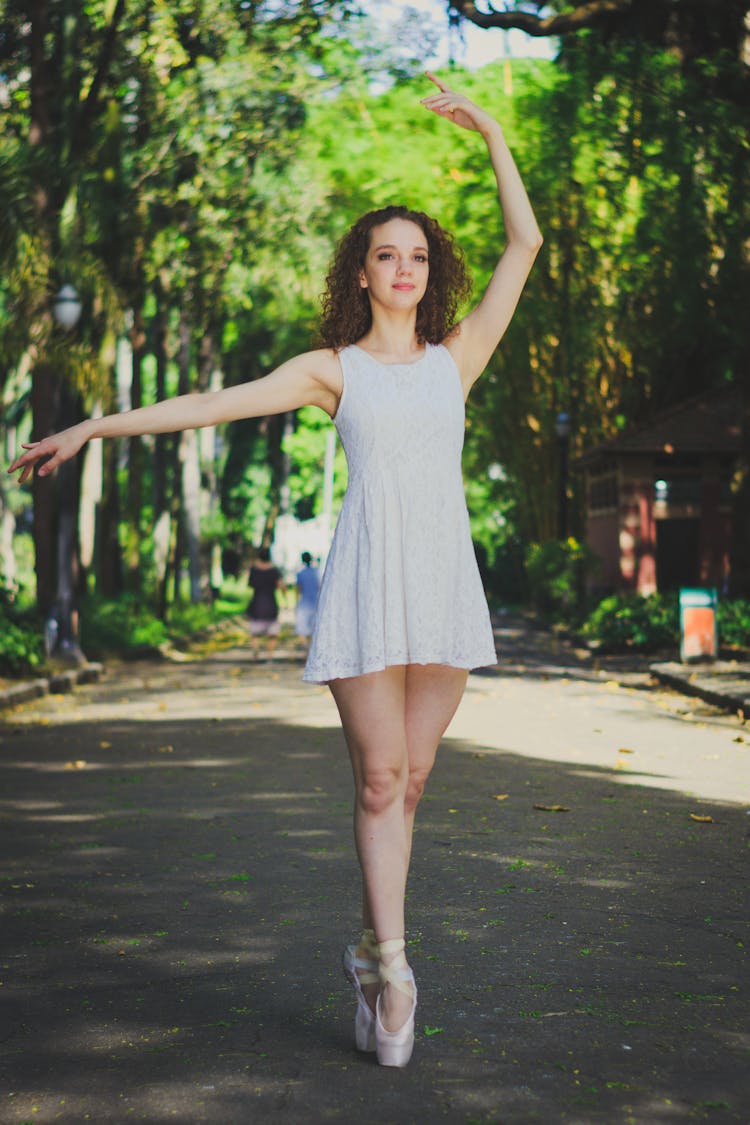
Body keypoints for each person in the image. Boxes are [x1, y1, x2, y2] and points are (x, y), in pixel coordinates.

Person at [9, 73, 542, 1068]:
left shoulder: (456, 360)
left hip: (442, 588)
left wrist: (495, 136)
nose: (404, 268)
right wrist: (93, 424)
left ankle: (364, 952)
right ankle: (392, 967)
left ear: (433, 271)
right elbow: (208, 405)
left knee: (417, 777)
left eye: (418, 255)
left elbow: (527, 246)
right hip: (364, 588)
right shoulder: (329, 370)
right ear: (363, 272)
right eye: (387, 255)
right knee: (379, 779)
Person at [246, 546, 284, 659]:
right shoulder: (274, 571)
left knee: (254, 633)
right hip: (271, 603)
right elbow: (281, 586)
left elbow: (250, 584)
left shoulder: (254, 570)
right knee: (272, 633)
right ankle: (270, 654)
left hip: (257, 602)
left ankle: (256, 650)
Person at [294, 551, 320, 651]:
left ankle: (306, 648)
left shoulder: (300, 573)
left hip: (303, 604)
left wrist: (296, 603)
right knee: (313, 629)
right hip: (315, 603)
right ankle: (310, 649)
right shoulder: (316, 572)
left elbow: (298, 590)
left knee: (301, 629)